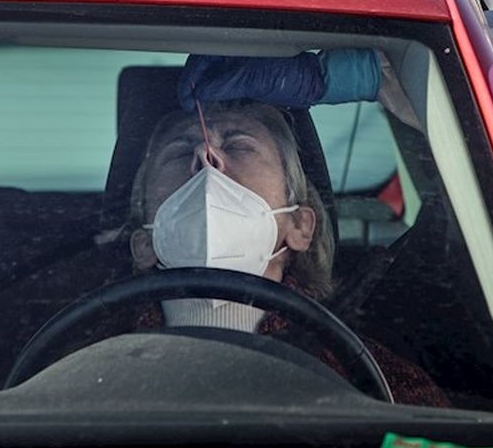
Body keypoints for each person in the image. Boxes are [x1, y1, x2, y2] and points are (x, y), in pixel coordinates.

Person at [125, 97, 448, 409]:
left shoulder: (375, 377)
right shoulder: (92, 346)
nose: (205, 155)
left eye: (239, 146)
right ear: (143, 244)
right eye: (179, 152)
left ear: (299, 226)